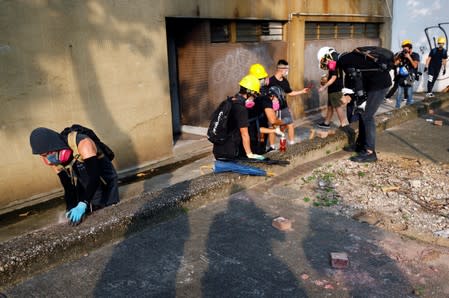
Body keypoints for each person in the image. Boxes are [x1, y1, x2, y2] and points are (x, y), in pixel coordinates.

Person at [29, 127, 119, 225]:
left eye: (47, 154)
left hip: (100, 175)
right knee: (79, 202)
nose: (47, 158)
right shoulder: (53, 159)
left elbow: (94, 177)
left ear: (54, 146)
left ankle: (98, 201)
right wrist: (70, 208)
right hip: (82, 176)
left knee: (99, 203)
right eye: (42, 155)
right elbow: (68, 186)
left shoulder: (83, 143)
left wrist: (83, 203)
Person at [318, 46, 392, 162]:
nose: (328, 65)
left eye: (326, 61)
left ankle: (370, 152)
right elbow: (355, 79)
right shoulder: (346, 58)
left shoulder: (344, 60)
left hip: (379, 85)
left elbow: (356, 79)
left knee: (367, 116)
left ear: (329, 57)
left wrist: (357, 98)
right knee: (363, 114)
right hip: (372, 84)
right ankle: (361, 145)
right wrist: (352, 96)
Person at [212, 74, 265, 161]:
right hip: (230, 152)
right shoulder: (241, 109)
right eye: (255, 95)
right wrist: (249, 154)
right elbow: (244, 134)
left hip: (219, 149)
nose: (254, 98)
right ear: (249, 92)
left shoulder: (231, 101)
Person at [268, 59, 309, 145]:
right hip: (273, 109)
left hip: (284, 107)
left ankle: (292, 143)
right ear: (281, 69)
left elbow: (290, 93)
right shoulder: (270, 81)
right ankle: (271, 146)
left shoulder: (285, 81)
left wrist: (302, 91)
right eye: (287, 69)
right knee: (273, 127)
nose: (287, 71)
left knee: (290, 124)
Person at [247, 64, 285, 153]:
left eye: (264, 78)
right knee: (257, 151)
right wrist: (283, 122)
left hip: (253, 126)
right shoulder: (262, 96)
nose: (263, 80)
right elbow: (272, 120)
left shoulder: (251, 90)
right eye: (261, 78)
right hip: (256, 129)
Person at [394, 39, 420, 109]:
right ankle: (397, 107)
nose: (404, 49)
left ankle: (409, 107)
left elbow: (415, 65)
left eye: (406, 47)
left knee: (409, 93)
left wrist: (409, 57)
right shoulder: (402, 55)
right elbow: (395, 63)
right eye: (403, 47)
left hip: (410, 76)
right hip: (401, 76)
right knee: (399, 93)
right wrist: (398, 56)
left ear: (410, 48)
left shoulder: (415, 55)